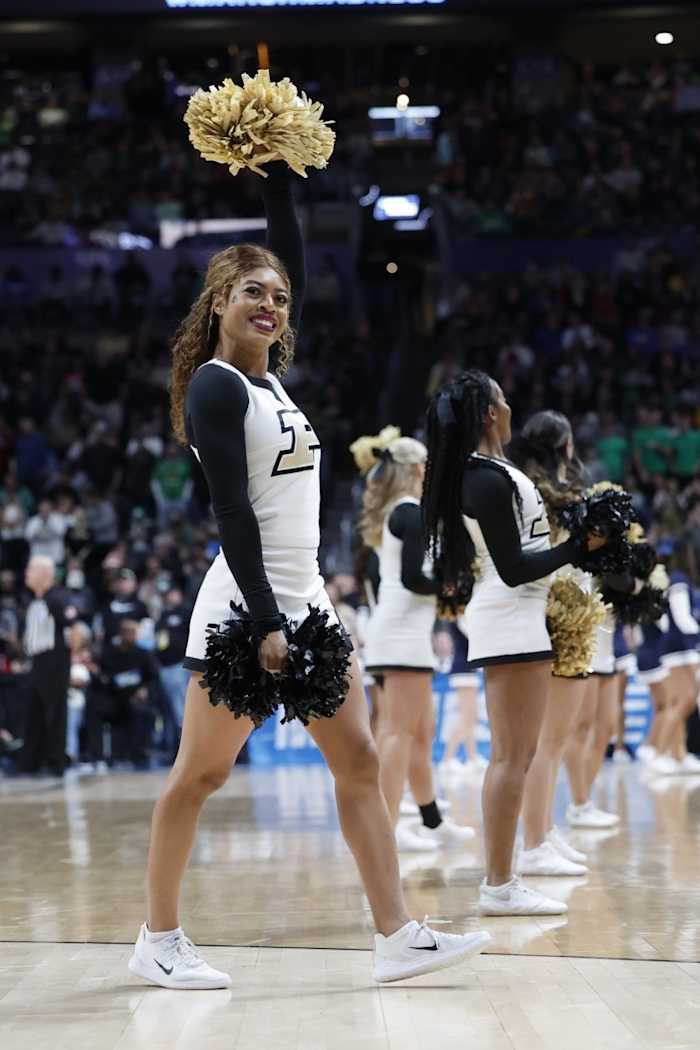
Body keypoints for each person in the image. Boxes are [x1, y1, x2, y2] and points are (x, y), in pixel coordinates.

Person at [129, 159, 490, 992]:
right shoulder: (218, 391)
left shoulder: (272, 380)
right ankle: (158, 936)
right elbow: (231, 517)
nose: (269, 304)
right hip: (247, 604)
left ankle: (397, 933)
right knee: (203, 774)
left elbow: (287, 259)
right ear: (218, 301)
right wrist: (265, 624)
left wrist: (279, 186)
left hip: (310, 597)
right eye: (252, 291)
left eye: (279, 297)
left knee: (360, 763)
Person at [422, 369, 606, 916]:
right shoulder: (484, 478)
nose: (509, 408)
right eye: (502, 400)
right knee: (511, 757)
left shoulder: (487, 472)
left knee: (517, 756)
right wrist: (579, 546)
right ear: (488, 414)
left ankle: (504, 878)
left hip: (515, 618)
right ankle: (500, 884)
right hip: (510, 617)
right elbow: (515, 569)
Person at [360, 436, 475, 852]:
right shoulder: (410, 513)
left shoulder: (404, 512)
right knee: (397, 733)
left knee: (421, 732)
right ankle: (386, 831)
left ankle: (431, 821)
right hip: (400, 635)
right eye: (426, 464)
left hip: (408, 633)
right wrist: (454, 589)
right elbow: (413, 578)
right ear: (415, 470)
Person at [508, 410, 597, 873]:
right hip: (555, 612)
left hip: (565, 610)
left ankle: (544, 829)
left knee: (553, 740)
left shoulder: (534, 487)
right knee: (548, 741)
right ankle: (536, 843)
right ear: (565, 446)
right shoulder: (547, 495)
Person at [18, 555, 77, 776]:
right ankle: (30, 762)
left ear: (45, 574)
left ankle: (56, 763)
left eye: (31, 570)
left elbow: (73, 624)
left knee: (55, 711)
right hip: (37, 661)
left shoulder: (57, 597)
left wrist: (76, 654)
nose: (26, 574)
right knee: (33, 712)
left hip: (54, 660)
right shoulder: (33, 599)